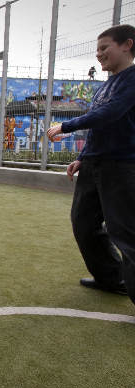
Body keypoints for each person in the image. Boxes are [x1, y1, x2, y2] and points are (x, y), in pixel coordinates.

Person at [47, 24, 135, 305]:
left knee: (125, 232)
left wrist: (66, 125)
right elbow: (100, 126)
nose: (98, 55)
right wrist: (83, 158)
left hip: (122, 166)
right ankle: (111, 278)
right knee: (83, 224)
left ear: (127, 45)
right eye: (97, 50)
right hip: (95, 165)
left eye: (104, 48)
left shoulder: (132, 80)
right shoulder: (106, 85)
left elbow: (111, 114)